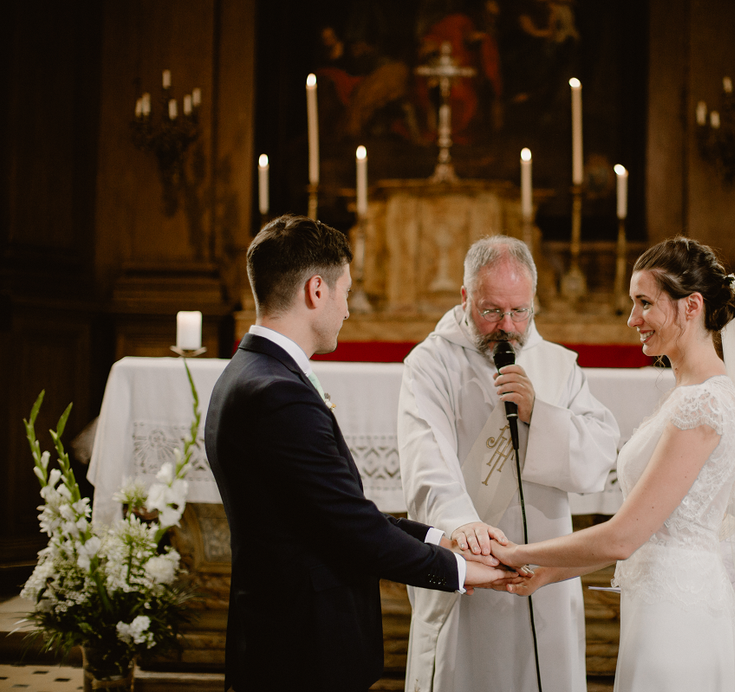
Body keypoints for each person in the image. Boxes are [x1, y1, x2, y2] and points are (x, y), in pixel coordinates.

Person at [205, 215, 509, 692]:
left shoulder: (251, 373)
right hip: (301, 649)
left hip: (282, 634)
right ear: (316, 291)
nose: (348, 309)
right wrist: (462, 570)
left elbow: (330, 513)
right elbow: (352, 530)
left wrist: (442, 539)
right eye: (346, 292)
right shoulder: (276, 393)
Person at [491, 237, 735, 692]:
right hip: (661, 604)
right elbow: (648, 530)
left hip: (680, 621)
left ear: (691, 306)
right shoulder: (690, 394)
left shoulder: (704, 405)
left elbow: (623, 536)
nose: (632, 319)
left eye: (644, 303)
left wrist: (518, 553)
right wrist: (549, 573)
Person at [398, 235, 620, 692]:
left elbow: (598, 458)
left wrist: (541, 414)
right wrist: (464, 525)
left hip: (549, 573)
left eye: (519, 311)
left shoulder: (559, 366)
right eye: (492, 310)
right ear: (465, 297)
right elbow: (426, 457)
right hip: (473, 563)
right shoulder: (431, 364)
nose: (507, 326)